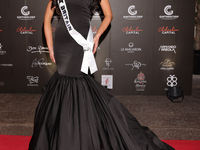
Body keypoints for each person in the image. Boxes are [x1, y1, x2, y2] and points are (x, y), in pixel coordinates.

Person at [29, 0, 174, 149]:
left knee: (77, 81)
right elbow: (47, 19)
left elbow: (109, 15)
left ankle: (78, 132)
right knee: (64, 80)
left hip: (81, 44)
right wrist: (50, 46)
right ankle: (63, 131)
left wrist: (97, 36)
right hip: (62, 42)